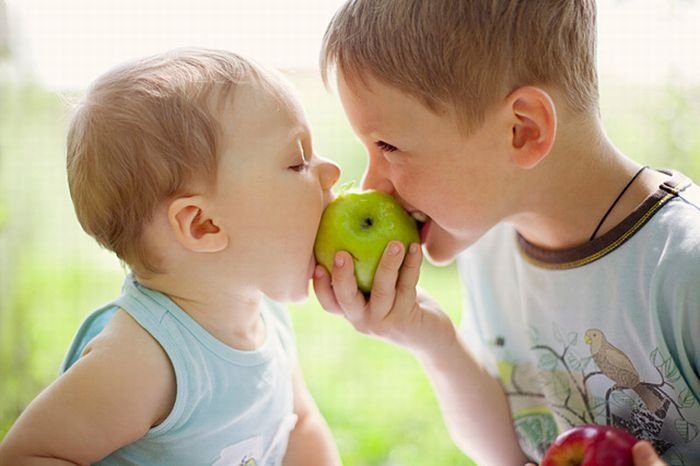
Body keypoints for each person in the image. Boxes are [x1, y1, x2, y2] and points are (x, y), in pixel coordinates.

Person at [312, 1, 700, 465]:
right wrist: (432, 341)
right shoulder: (492, 240)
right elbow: (507, 454)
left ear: (522, 130)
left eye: (389, 147)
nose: (372, 184)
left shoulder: (683, 271)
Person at [0, 48, 342, 466]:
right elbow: (28, 455)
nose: (332, 172)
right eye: (298, 162)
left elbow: (300, 423)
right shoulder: (143, 359)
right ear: (202, 226)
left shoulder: (264, 315)